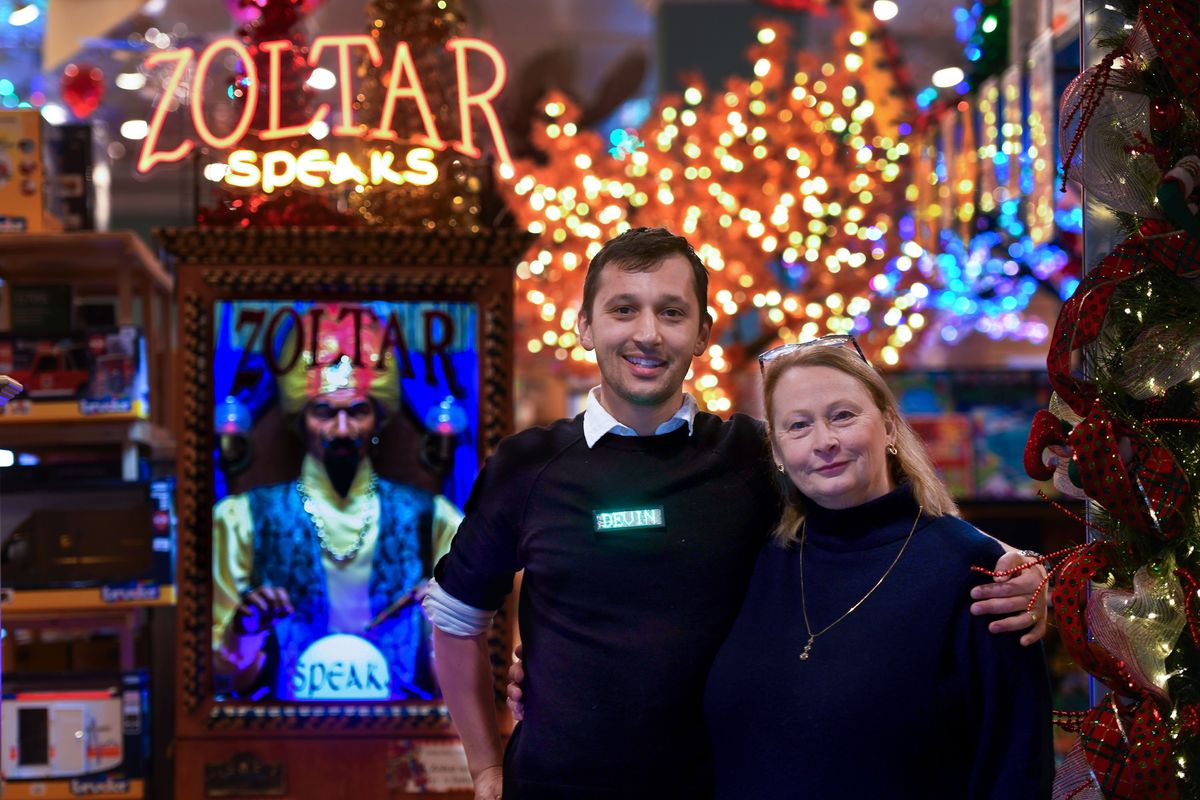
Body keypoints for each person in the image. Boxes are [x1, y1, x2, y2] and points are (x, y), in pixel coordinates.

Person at [426, 227, 1047, 799]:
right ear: (585, 325)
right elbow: (455, 618)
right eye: (623, 310)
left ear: (702, 332)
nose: (648, 333)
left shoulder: (752, 455)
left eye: (672, 312)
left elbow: (879, 523)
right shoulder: (528, 465)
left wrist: (1023, 573)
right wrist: (484, 764)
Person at [703, 335, 1053, 797]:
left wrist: (1034, 570)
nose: (824, 442)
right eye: (798, 426)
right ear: (777, 453)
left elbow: (1018, 770)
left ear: (888, 427)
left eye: (843, 416)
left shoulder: (976, 571)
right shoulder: (761, 556)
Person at [212, 305, 462, 701]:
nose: (342, 430)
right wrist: (246, 631)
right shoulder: (241, 520)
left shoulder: (435, 520)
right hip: (282, 734)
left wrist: (439, 623)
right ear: (300, 418)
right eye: (325, 412)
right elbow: (224, 677)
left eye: (357, 411)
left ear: (378, 419)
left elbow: (457, 678)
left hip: (404, 736)